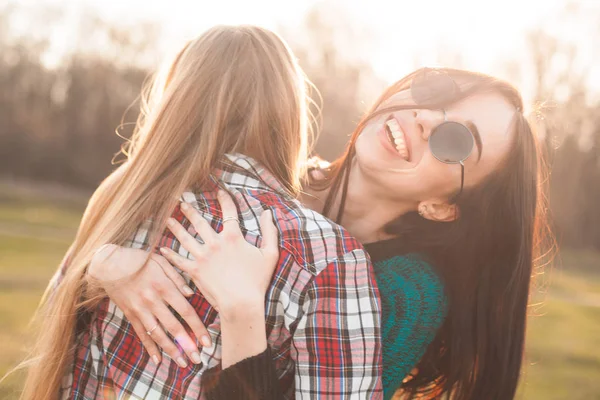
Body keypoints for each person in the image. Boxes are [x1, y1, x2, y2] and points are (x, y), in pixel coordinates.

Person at [89, 67, 552, 399]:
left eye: (457, 140)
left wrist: (242, 309)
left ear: (442, 207)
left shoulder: (408, 293)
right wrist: (112, 264)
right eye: (438, 90)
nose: (427, 117)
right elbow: (75, 282)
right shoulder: (257, 172)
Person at [21, 25, 384, 400]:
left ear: (176, 98)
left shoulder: (123, 193)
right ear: (290, 113)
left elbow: (55, 321)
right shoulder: (329, 256)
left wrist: (97, 267)